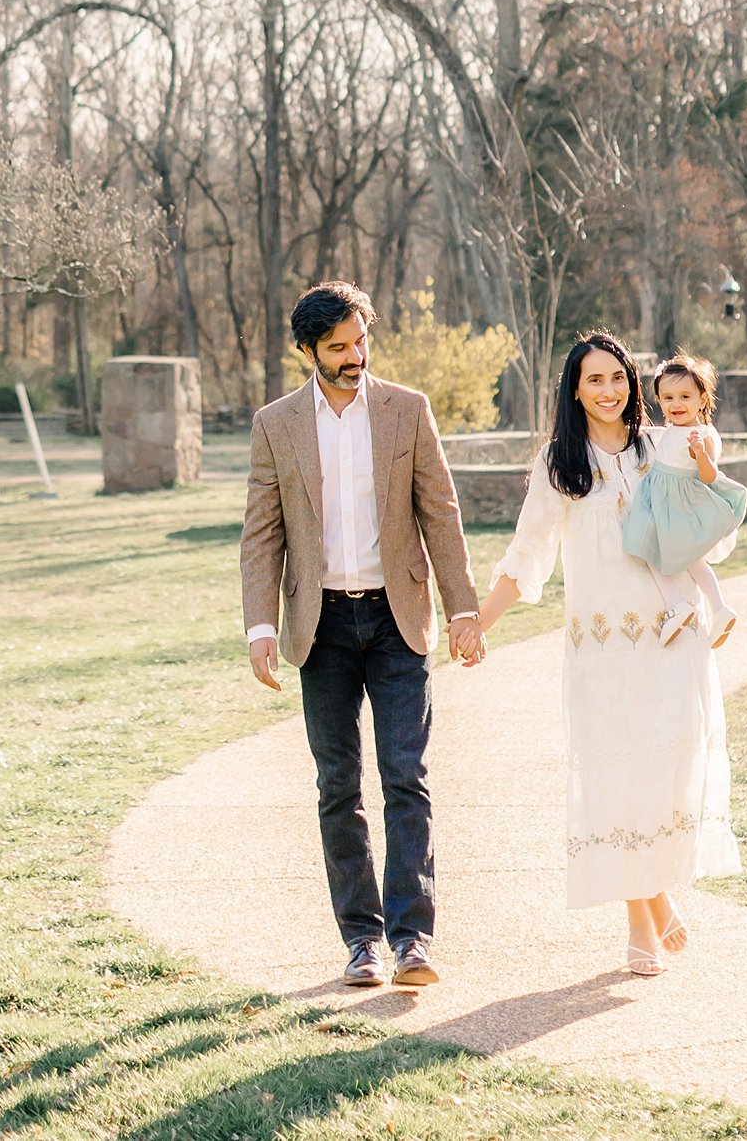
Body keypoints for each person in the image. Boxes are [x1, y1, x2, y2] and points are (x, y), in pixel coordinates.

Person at [240, 279, 485, 991]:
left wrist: (463, 608)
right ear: (309, 350)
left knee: (406, 775)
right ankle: (363, 941)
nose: (354, 357)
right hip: (320, 626)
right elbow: (262, 534)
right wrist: (261, 627)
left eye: (360, 342)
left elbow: (440, 511)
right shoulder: (275, 424)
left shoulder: (407, 411)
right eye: (338, 347)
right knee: (336, 786)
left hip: (396, 618)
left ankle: (414, 939)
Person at [477, 331, 740, 976]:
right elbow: (529, 553)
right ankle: (647, 910)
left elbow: (709, 528)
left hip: (671, 637)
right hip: (602, 649)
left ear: (633, 384)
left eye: (618, 378)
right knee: (616, 778)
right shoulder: (557, 463)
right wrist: (479, 622)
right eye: (594, 380)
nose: (609, 391)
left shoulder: (661, 446)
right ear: (575, 389)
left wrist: (707, 468)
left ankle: (650, 904)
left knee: (665, 777)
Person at [621, 351, 746, 649]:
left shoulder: (702, 434)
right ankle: (708, 607)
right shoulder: (670, 431)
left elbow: (708, 474)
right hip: (661, 500)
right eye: (668, 398)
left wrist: (700, 454)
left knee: (651, 549)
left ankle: (691, 606)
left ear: (702, 400)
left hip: (679, 503)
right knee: (676, 557)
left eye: (685, 397)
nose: (676, 404)